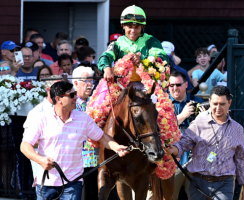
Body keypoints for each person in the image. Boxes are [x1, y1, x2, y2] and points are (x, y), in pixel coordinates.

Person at [20, 81, 129, 200]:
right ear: (59, 99)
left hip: (73, 183)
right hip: (46, 183)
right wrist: (40, 160)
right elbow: (25, 145)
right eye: (72, 95)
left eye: (75, 94)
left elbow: (102, 137)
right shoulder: (41, 119)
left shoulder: (83, 119)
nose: (76, 98)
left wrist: (116, 147)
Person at [165, 85, 244, 200]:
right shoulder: (198, 123)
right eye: (215, 104)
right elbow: (183, 143)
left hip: (224, 183)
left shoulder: (237, 129)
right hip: (198, 182)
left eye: (222, 104)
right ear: (209, 102)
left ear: (229, 103)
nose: (218, 107)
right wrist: (173, 149)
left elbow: (242, 160)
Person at [98, 5, 168, 89]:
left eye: (137, 27)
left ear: (142, 27)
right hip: (121, 86)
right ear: (123, 26)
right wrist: (107, 69)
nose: (133, 31)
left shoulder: (151, 41)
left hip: (147, 87)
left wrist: (142, 59)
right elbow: (105, 57)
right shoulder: (117, 43)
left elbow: (163, 58)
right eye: (130, 27)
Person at [168, 71, 203, 200]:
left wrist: (203, 119)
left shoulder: (197, 102)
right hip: (172, 163)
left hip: (194, 162)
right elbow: (160, 129)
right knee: (169, 196)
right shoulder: (163, 104)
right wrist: (183, 115)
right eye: (171, 85)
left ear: (186, 84)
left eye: (178, 84)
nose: (174, 88)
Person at [23, 75, 61, 180]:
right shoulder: (36, 112)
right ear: (48, 90)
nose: (63, 90)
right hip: (45, 174)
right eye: (59, 87)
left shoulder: (69, 110)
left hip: (68, 172)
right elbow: (27, 143)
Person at [72, 66, 99, 200]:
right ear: (76, 83)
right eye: (86, 80)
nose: (90, 84)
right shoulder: (71, 105)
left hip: (97, 160)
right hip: (79, 162)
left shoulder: (95, 103)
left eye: (91, 80)